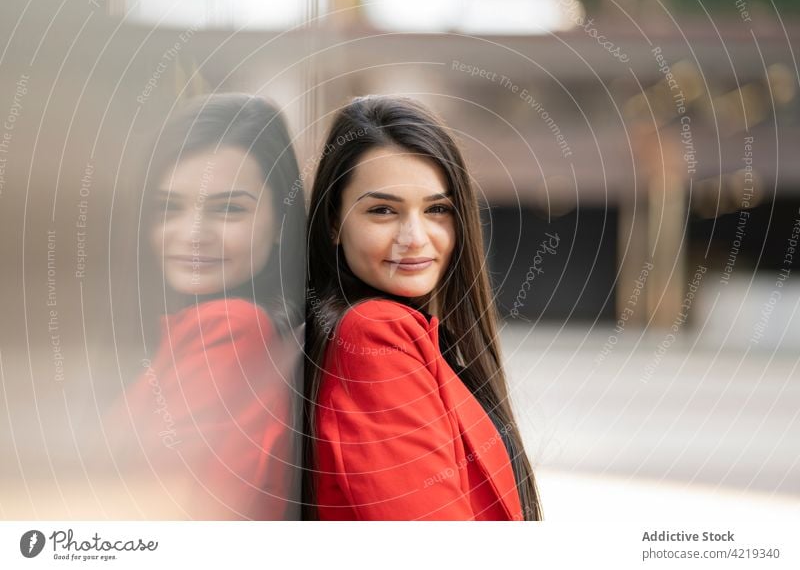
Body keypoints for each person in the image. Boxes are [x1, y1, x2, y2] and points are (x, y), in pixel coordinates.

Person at [302, 95, 543, 520]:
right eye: (383, 210)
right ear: (334, 223)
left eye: (437, 209)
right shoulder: (373, 333)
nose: (415, 237)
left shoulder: (420, 333)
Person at [104, 93, 304, 520]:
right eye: (168, 208)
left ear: (280, 224)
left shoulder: (232, 327)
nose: (193, 234)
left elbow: (147, 510)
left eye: (228, 209)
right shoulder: (224, 327)